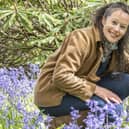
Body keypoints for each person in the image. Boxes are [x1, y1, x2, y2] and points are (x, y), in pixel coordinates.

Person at [34, 2, 129, 128]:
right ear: (103, 20)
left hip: (81, 91)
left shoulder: (114, 47)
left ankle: (85, 115)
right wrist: (97, 90)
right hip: (56, 96)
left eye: (122, 27)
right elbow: (61, 77)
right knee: (113, 111)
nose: (116, 29)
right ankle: (55, 124)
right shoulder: (81, 38)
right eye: (114, 22)